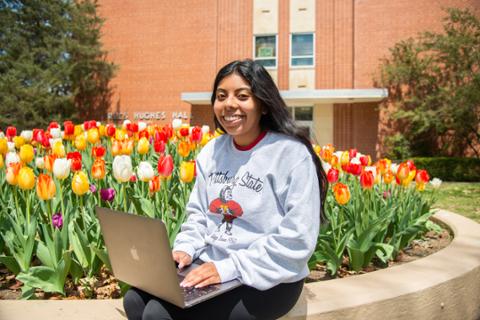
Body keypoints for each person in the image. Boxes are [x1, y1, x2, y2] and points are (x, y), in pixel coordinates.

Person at [123, 59, 328, 320]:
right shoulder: (212, 151)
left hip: (269, 276)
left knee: (158, 314)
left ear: (263, 104)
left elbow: (297, 238)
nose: (229, 104)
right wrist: (185, 249)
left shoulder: (290, 154)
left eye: (242, 96)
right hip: (213, 265)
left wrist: (228, 268)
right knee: (134, 300)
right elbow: (198, 215)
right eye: (221, 96)